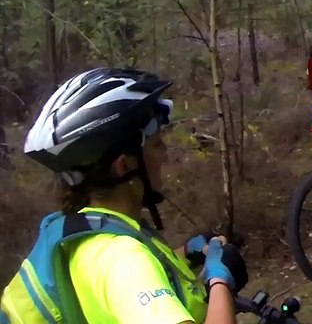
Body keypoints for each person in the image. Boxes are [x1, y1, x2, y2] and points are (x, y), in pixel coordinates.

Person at [2, 67, 248, 324]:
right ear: (125, 165)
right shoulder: (123, 260)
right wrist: (221, 281)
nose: (164, 154)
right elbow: (128, 275)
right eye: (156, 144)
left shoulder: (89, 232)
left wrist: (186, 254)